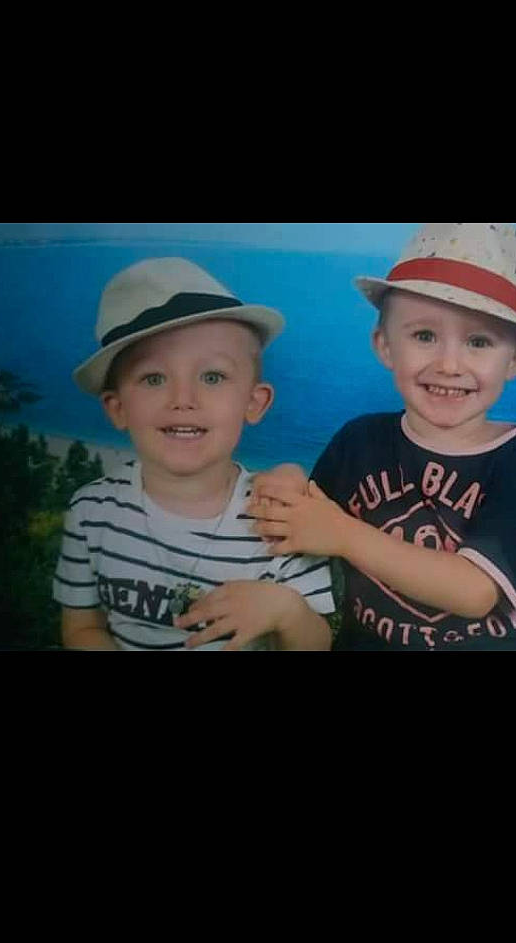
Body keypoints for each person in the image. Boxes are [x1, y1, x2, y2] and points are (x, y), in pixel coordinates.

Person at [250, 223, 516, 652]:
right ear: (384, 346)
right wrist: (288, 478)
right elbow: (311, 510)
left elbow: (475, 592)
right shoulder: (359, 439)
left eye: (479, 341)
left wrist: (343, 534)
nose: (449, 364)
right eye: (424, 336)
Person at [53, 258, 334, 651]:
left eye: (212, 377)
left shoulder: (278, 517)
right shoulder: (90, 511)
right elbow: (82, 628)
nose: (183, 399)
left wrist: (287, 611)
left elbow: (317, 644)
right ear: (117, 408)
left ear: (254, 402)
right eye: (154, 378)